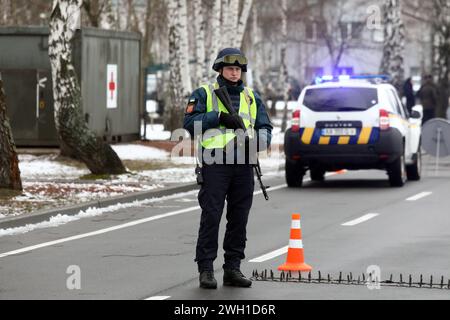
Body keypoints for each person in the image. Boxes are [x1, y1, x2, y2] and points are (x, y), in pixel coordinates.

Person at [183, 48, 273, 289]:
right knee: (211, 215)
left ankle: (233, 268)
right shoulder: (204, 93)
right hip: (215, 164)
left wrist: (258, 143)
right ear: (220, 70)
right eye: (230, 68)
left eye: (238, 69)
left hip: (244, 164)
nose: (234, 73)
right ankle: (205, 270)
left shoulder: (251, 97)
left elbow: (265, 127)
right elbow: (190, 125)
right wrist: (220, 118)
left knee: (239, 217)